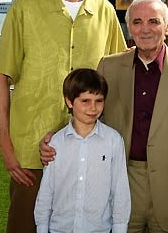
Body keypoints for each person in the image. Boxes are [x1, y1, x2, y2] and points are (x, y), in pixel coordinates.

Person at [0, 0, 127, 233]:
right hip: (28, 148)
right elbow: (1, 76)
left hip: (86, 147)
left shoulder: (105, 12)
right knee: (24, 225)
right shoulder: (25, 7)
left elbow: (120, 73)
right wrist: (5, 144)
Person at [42, 0, 168, 232]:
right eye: (137, 22)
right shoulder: (108, 66)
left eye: (153, 21)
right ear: (129, 27)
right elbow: (88, 113)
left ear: (167, 25)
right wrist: (57, 140)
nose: (145, 30)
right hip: (119, 183)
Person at [34, 68, 130, 233]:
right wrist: (42, 228)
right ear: (69, 102)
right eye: (85, 101)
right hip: (59, 229)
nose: (93, 108)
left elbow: (120, 191)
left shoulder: (113, 141)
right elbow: (46, 191)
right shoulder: (56, 143)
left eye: (99, 101)